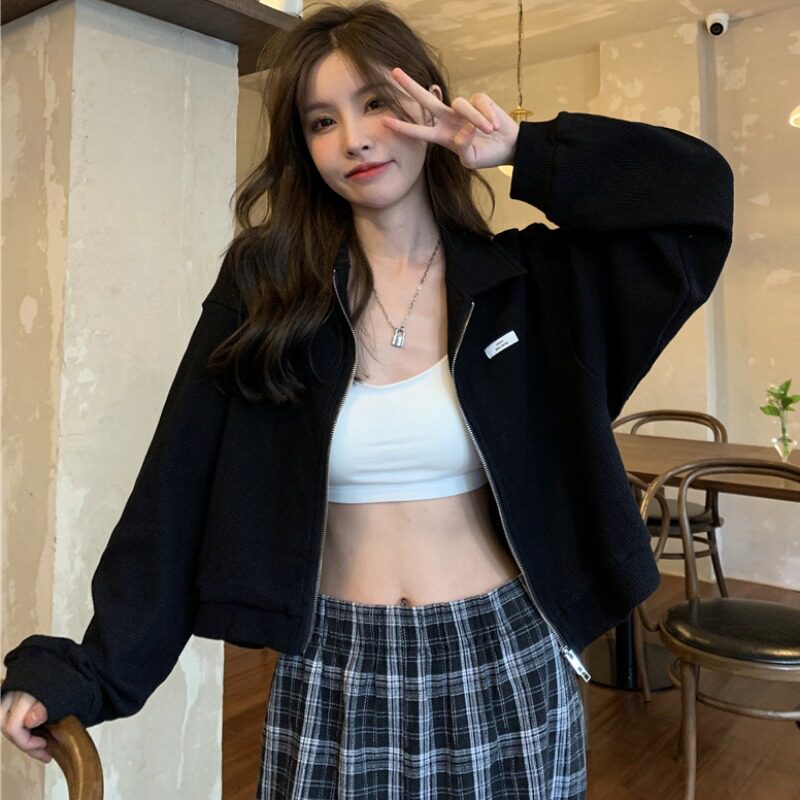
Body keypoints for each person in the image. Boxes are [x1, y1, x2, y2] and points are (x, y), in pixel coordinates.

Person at [1, 1, 734, 797]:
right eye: (322, 121)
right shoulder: (267, 293)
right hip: (333, 666)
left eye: (377, 102)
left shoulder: (527, 286)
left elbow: (697, 198)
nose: (353, 138)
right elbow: (176, 485)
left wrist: (521, 149)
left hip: (502, 653)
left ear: (429, 106)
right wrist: (89, 671)